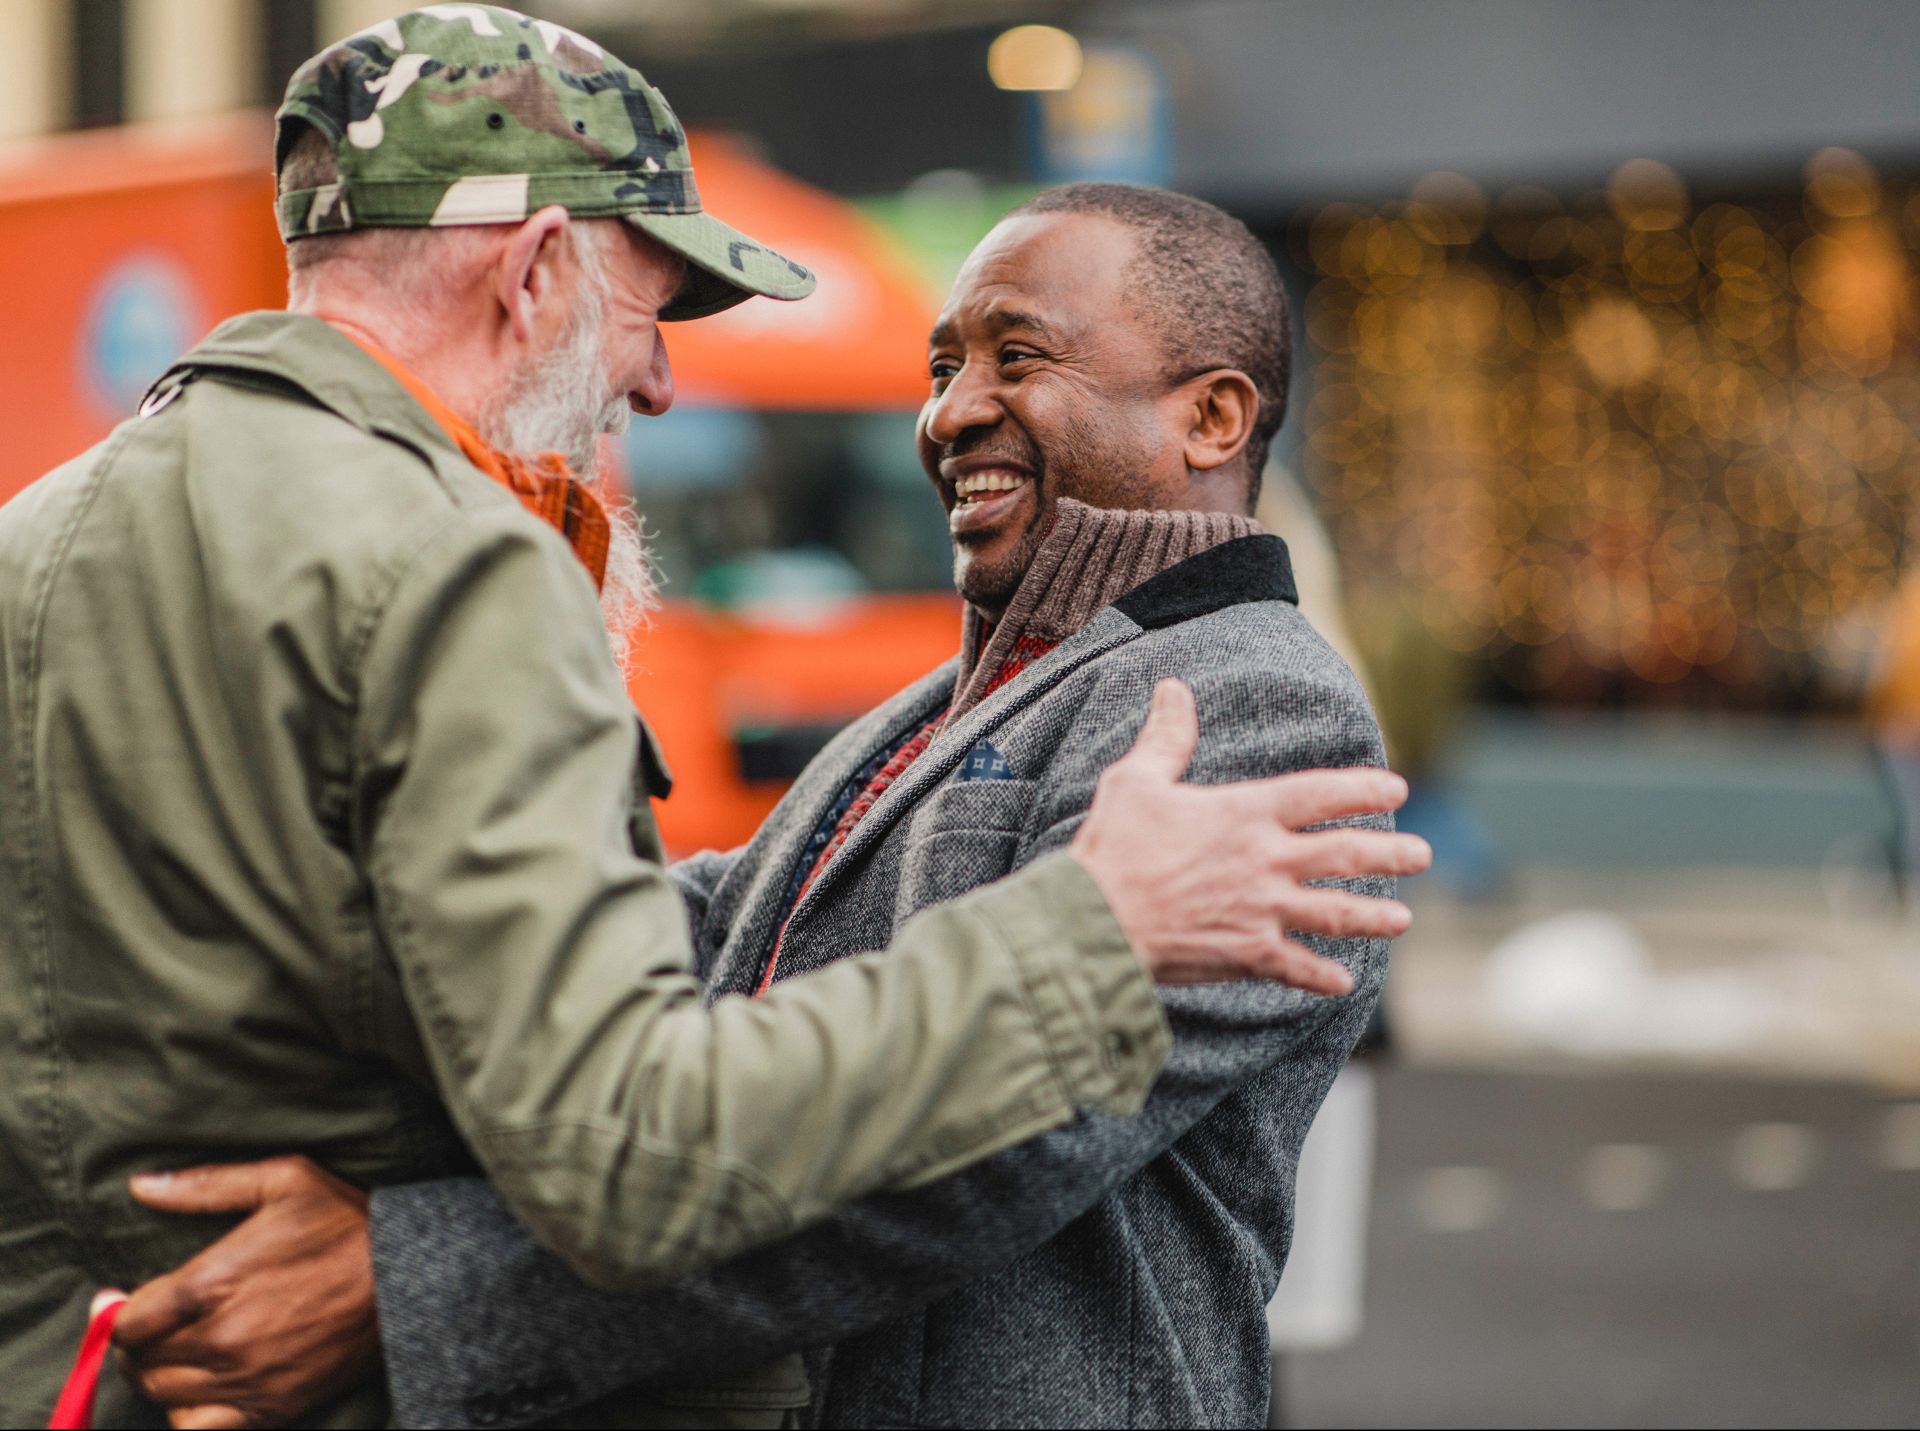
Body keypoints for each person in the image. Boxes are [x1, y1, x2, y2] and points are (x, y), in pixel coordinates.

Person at [0, 11, 1428, 1427]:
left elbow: (951, 1181)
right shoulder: (909, 694)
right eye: (945, 366)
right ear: (540, 266)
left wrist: (395, 1283)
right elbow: (699, 960)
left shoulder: (1260, 714)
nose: (946, 416)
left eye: (1016, 358)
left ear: (1215, 416)